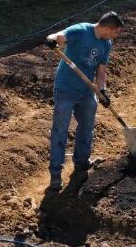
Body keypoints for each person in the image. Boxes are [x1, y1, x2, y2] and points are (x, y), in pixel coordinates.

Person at [43, 12, 125, 190]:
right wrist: (51, 39)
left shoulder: (106, 43)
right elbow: (57, 36)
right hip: (66, 89)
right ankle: (55, 174)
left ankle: (82, 161)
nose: (115, 36)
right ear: (107, 28)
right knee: (60, 131)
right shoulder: (80, 31)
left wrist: (102, 90)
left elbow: (101, 71)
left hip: (87, 91)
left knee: (87, 127)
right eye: (115, 32)